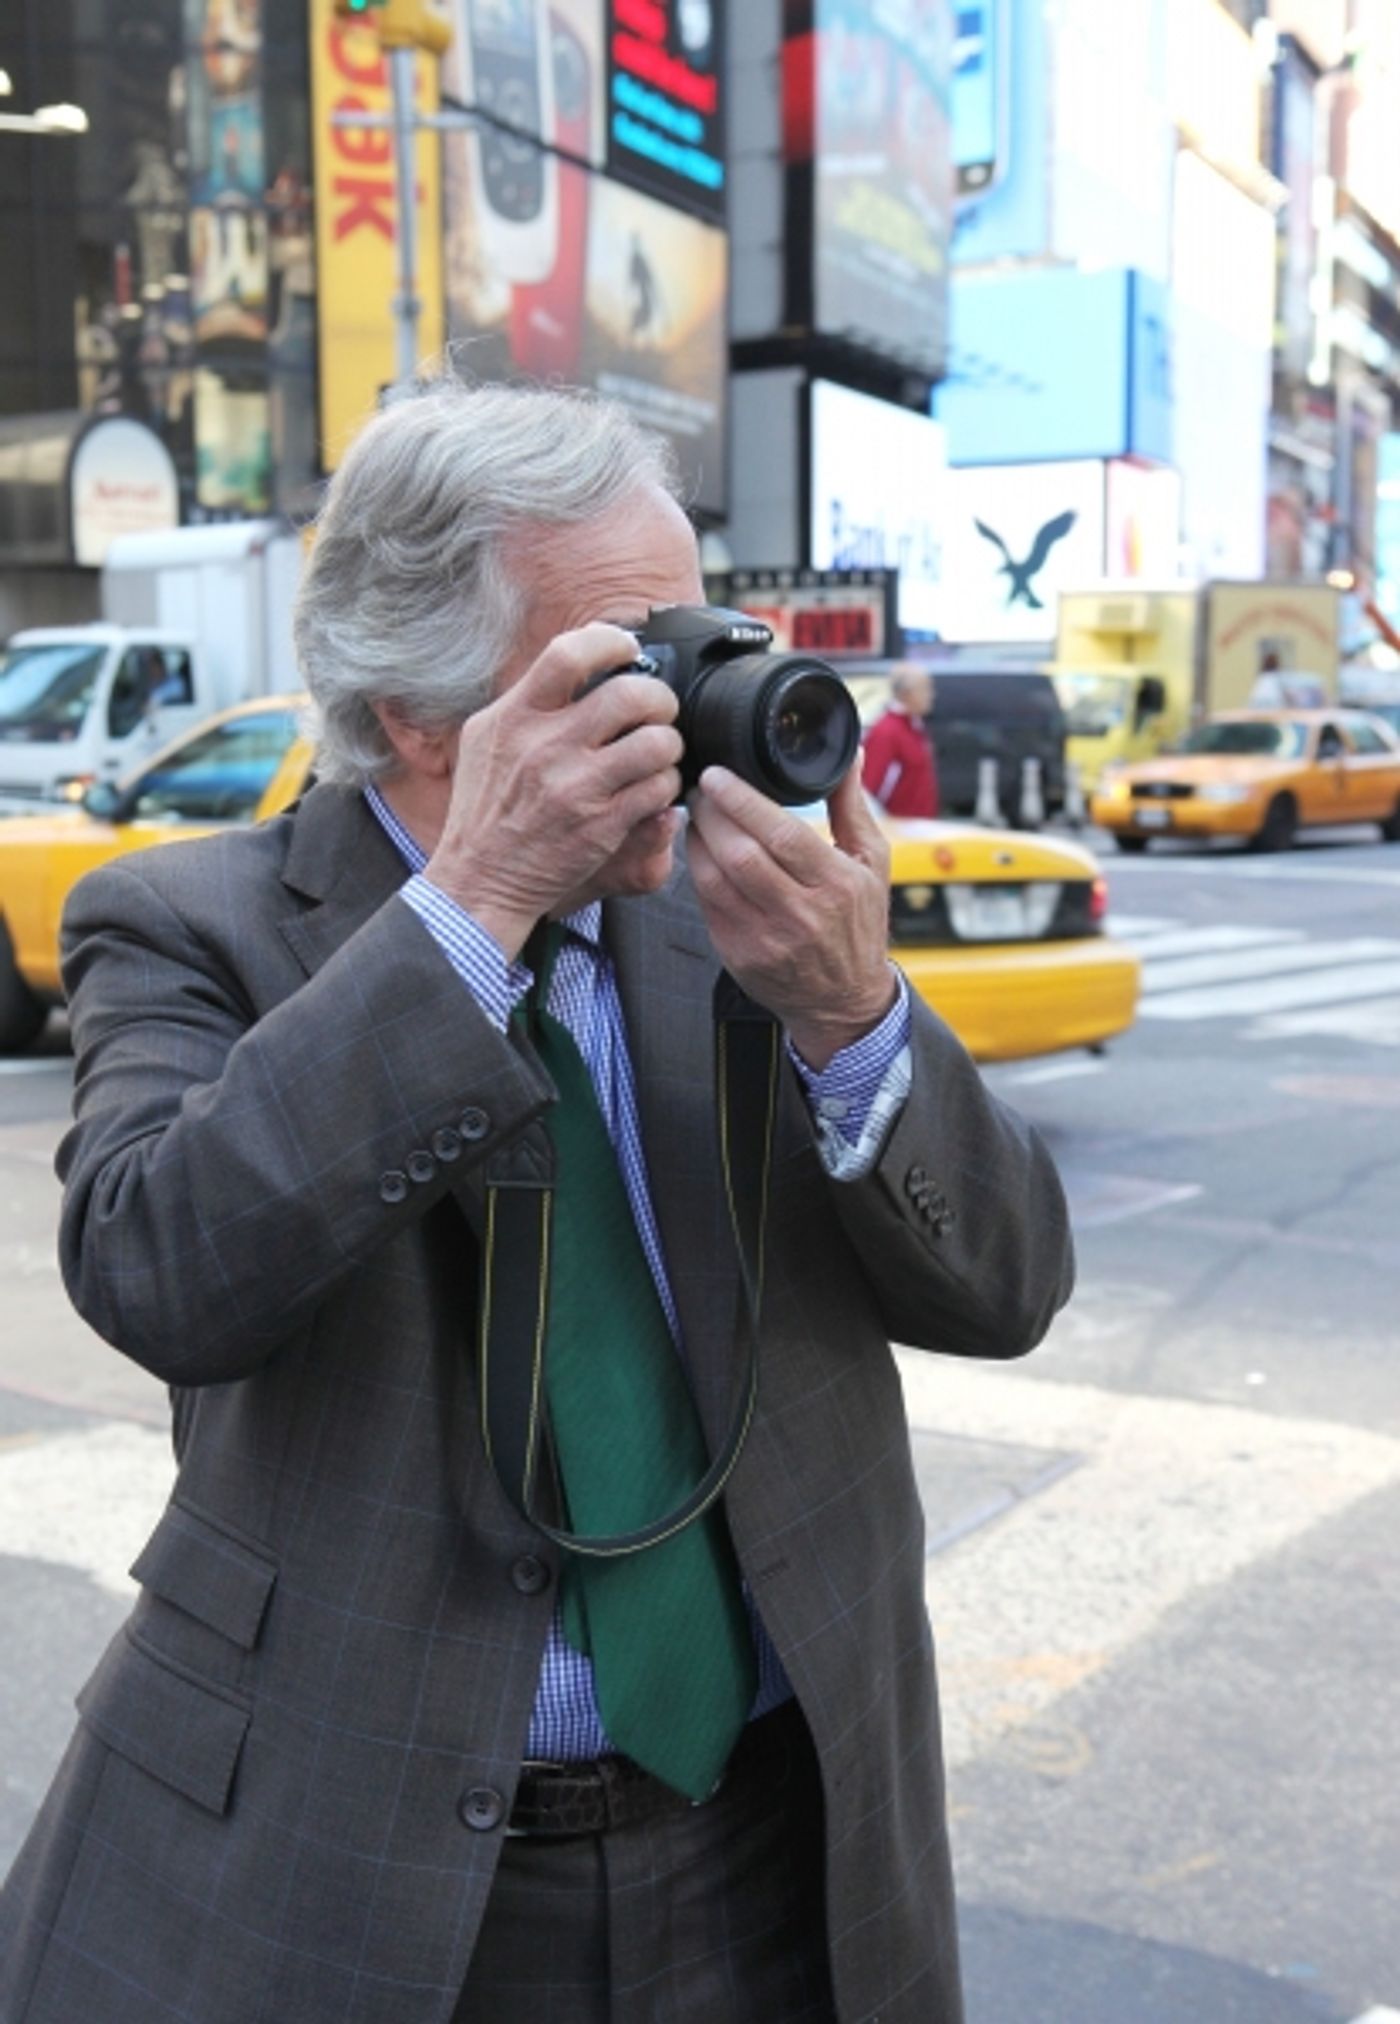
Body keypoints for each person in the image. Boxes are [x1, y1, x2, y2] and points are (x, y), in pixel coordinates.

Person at [0, 380, 1073, 2024]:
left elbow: (1008, 1288)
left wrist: (857, 1021)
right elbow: (160, 1266)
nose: (702, 708)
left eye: (706, 637)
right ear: (427, 715)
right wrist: (478, 906)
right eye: (631, 667)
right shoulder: (193, 920)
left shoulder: (743, 921)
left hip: (779, 1841)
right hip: (379, 1874)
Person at [862, 662, 940, 817]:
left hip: (919, 827)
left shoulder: (914, 726)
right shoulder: (887, 732)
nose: (931, 695)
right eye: (925, 689)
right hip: (898, 830)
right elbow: (869, 789)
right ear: (906, 693)